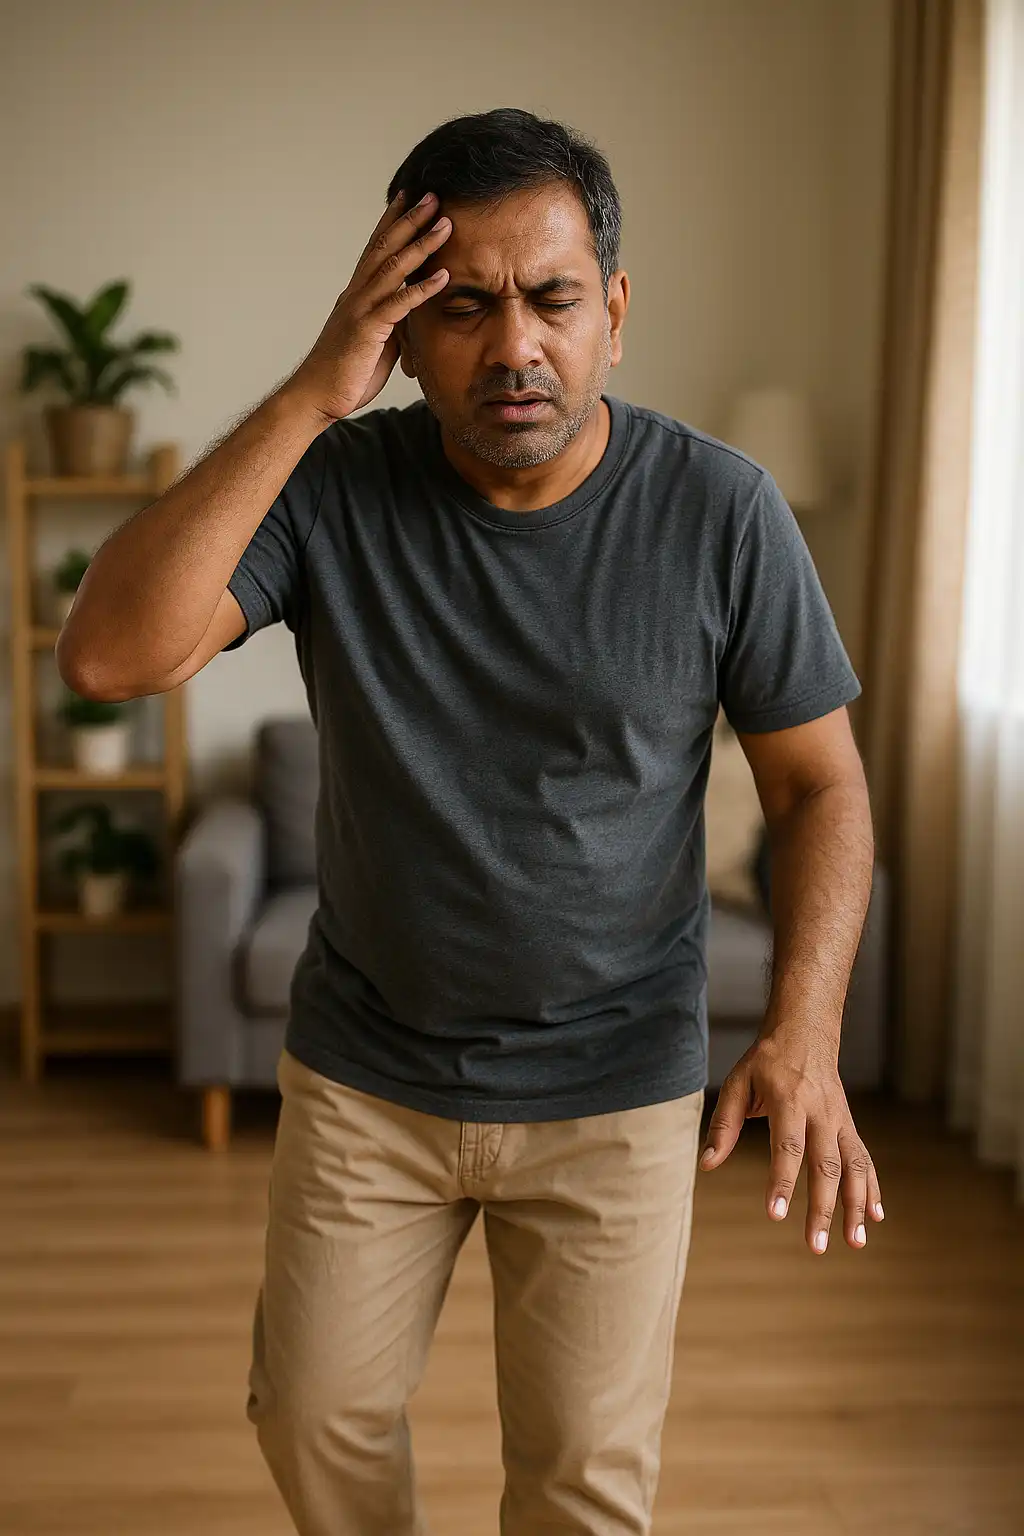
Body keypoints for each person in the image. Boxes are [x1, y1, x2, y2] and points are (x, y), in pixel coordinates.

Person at [58, 106, 884, 1536]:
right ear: (401, 327)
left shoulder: (724, 512)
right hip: (368, 1075)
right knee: (310, 1419)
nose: (513, 346)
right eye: (463, 304)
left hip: (618, 1087)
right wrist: (315, 392)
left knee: (582, 1486)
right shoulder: (335, 488)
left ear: (612, 313)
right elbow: (109, 658)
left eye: (552, 299)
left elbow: (822, 786)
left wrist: (802, 1031)